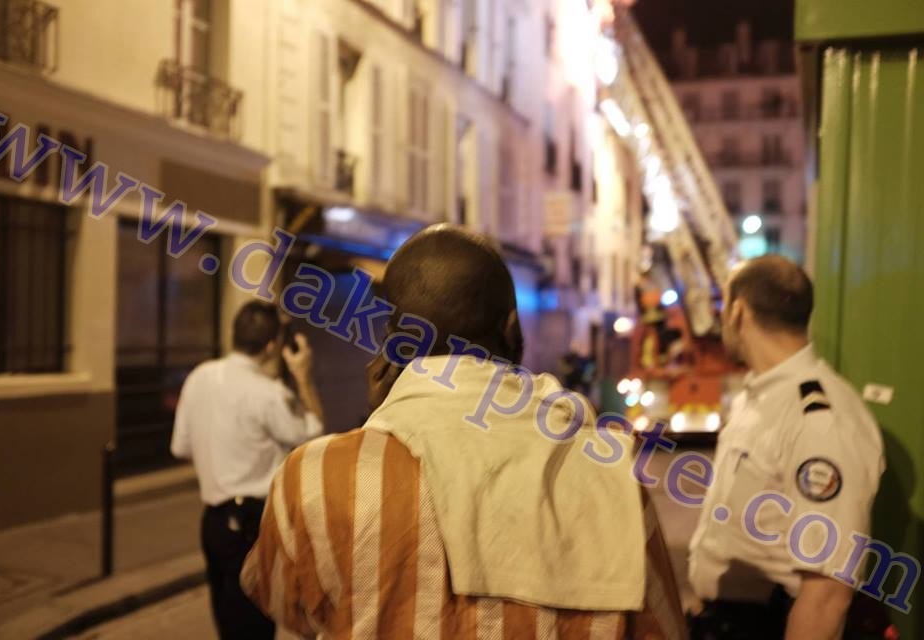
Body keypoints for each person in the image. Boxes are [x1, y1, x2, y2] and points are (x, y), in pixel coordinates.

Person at [241, 225, 687, 639]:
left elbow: (288, 603)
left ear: (390, 343)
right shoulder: (611, 475)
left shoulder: (315, 476)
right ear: (512, 328)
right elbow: (660, 630)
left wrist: (383, 421)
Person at [687, 256, 885, 639]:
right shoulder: (758, 397)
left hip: (769, 625)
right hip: (724, 622)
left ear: (739, 311)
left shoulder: (819, 419)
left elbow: (827, 593)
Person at [171, 300, 324, 639]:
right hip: (253, 523)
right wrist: (303, 377)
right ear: (272, 345)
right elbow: (314, 436)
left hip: (213, 520)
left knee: (229, 624)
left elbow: (180, 447)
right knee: (254, 625)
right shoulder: (269, 394)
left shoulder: (199, 377)